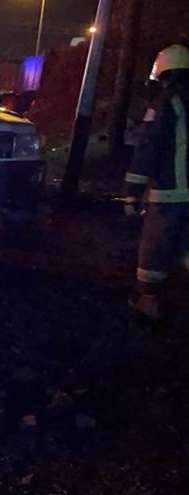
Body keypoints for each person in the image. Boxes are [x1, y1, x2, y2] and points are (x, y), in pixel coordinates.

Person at [125, 44, 189, 320]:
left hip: (169, 191)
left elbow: (149, 149)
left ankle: (147, 300)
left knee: (154, 246)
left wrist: (132, 193)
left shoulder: (166, 103)